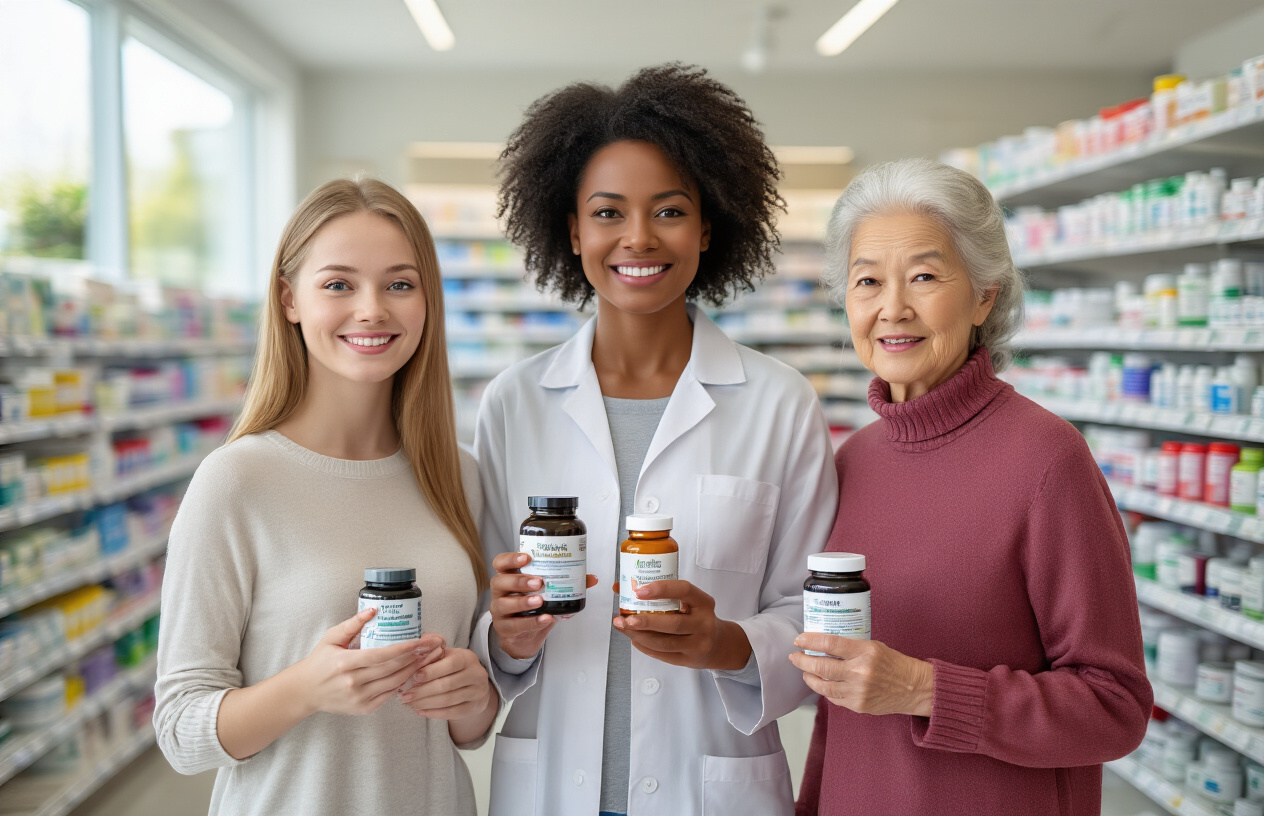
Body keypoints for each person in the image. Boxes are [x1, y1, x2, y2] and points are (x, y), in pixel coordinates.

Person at [472, 64, 838, 816]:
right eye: (607, 212)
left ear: (707, 227)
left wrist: (728, 644)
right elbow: (480, 606)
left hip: (710, 787)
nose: (637, 237)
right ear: (572, 231)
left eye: (669, 210)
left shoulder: (778, 403)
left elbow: (814, 611)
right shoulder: (514, 403)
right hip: (549, 786)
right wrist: (502, 634)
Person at [790, 158, 1152, 816]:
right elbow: (839, 706)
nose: (892, 308)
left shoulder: (1047, 461)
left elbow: (1115, 707)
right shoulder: (854, 460)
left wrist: (924, 689)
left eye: (924, 276)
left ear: (985, 294)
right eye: (867, 281)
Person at [153, 178, 498, 816]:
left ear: (428, 300)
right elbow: (180, 732)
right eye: (339, 284)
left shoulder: (460, 475)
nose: (372, 310)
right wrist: (305, 689)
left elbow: (465, 730)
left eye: (400, 284)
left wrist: (474, 695)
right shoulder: (237, 481)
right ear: (290, 299)